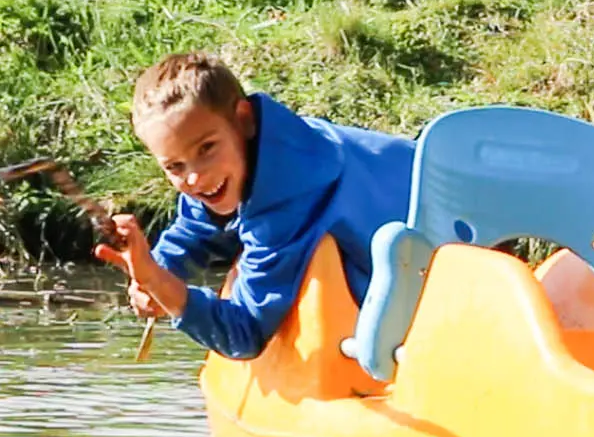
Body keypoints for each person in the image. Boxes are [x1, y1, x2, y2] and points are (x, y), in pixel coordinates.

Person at [94, 51, 414, 360]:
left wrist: (166, 289)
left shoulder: (289, 193)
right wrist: (154, 270)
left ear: (243, 119)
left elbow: (245, 332)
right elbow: (198, 227)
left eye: (207, 148)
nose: (195, 177)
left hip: (431, 279)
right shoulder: (271, 144)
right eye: (174, 166)